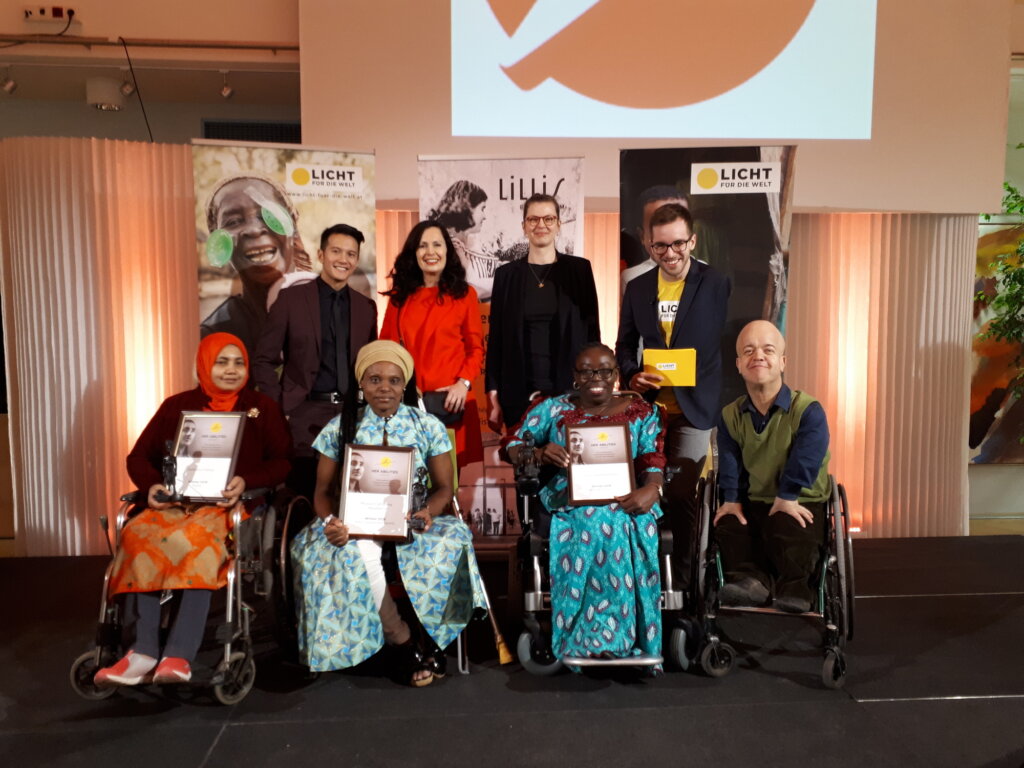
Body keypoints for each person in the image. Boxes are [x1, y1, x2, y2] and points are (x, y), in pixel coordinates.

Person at [94, 333, 292, 686]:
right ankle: (141, 651)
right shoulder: (177, 406)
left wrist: (246, 480)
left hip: (228, 509)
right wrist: (152, 485)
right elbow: (138, 457)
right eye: (221, 361)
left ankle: (178, 655)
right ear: (204, 363)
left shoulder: (261, 407)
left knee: (195, 542)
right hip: (175, 504)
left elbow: (282, 463)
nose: (231, 370)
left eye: (239, 363)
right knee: (139, 536)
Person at [290, 340, 487, 685]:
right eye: (375, 379)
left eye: (394, 380)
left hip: (413, 517)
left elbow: (445, 487)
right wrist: (329, 522)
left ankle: (432, 639)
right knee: (351, 549)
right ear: (362, 385)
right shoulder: (340, 427)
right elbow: (321, 492)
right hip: (355, 521)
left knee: (448, 545)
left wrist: (428, 512)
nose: (385, 388)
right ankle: (402, 638)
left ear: (405, 385)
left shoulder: (428, 427)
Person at [503, 343, 665, 661]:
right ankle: (591, 640)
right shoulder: (553, 409)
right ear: (575, 377)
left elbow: (652, 459)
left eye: (605, 370)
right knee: (597, 520)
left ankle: (629, 638)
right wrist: (538, 452)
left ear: (617, 375)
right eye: (587, 371)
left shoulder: (642, 411)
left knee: (627, 520)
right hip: (570, 500)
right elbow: (511, 442)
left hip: (628, 496)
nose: (596, 377)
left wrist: (654, 488)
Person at [616, 202, 730, 587]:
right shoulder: (637, 288)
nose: (670, 254)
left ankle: (685, 584)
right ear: (649, 245)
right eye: (660, 246)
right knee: (642, 495)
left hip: (696, 410)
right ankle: (646, 578)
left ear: (692, 241)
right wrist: (632, 377)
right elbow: (624, 345)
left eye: (678, 244)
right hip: (650, 414)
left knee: (683, 497)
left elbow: (727, 344)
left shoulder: (715, 283)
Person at [253, 223, 377, 499]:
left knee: (351, 499)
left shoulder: (365, 308)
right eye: (336, 251)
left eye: (351, 254)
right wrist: (279, 408)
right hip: (303, 416)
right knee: (305, 499)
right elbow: (263, 360)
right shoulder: (290, 300)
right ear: (321, 255)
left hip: (352, 417)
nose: (343, 260)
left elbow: (370, 367)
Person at [714, 320, 830, 614]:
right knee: (729, 523)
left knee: (788, 525)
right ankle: (751, 583)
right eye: (748, 351)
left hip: (800, 499)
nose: (758, 357)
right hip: (755, 500)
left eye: (768, 350)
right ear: (739, 364)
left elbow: (807, 458)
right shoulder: (730, 416)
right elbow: (729, 462)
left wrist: (787, 495)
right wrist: (731, 500)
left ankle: (797, 589)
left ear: (782, 362)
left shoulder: (808, 410)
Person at [486, 193, 600, 432]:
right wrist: (493, 396)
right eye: (533, 219)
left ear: (558, 225)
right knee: (524, 467)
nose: (541, 225)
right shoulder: (506, 276)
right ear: (524, 226)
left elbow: (593, 335)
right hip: (518, 394)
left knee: (569, 467)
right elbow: (496, 340)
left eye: (548, 219)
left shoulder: (579, 270)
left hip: (571, 392)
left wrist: (593, 386)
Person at [380, 220, 484, 470]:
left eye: (437, 245)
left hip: (450, 403)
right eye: (423, 246)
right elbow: (386, 353)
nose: (430, 252)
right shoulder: (399, 299)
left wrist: (464, 383)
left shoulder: (464, 295)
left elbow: (475, 349)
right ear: (413, 253)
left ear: (447, 251)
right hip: (408, 407)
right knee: (407, 486)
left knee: (446, 488)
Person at [200, 175, 314, 354]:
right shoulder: (215, 334)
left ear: (292, 224)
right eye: (233, 221)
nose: (253, 230)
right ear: (217, 241)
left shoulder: (333, 313)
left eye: (268, 215)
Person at [426, 180, 493, 300]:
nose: (485, 216)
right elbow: (467, 290)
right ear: (468, 208)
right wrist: (505, 280)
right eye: (482, 208)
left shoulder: (471, 245)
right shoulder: (444, 248)